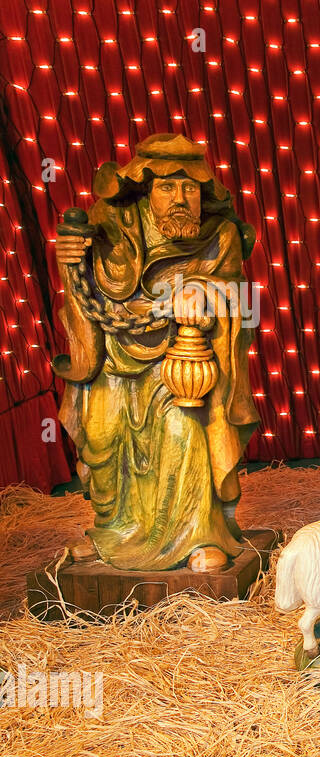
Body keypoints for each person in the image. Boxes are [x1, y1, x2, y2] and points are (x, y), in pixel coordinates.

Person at [53, 133, 258, 571]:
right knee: (101, 436)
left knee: (184, 431)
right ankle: (111, 534)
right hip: (112, 358)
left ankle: (199, 536)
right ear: (145, 189)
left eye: (189, 188)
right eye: (167, 187)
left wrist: (203, 290)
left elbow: (245, 302)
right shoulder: (109, 226)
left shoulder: (220, 235)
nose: (180, 198)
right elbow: (86, 292)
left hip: (178, 364)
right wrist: (69, 260)